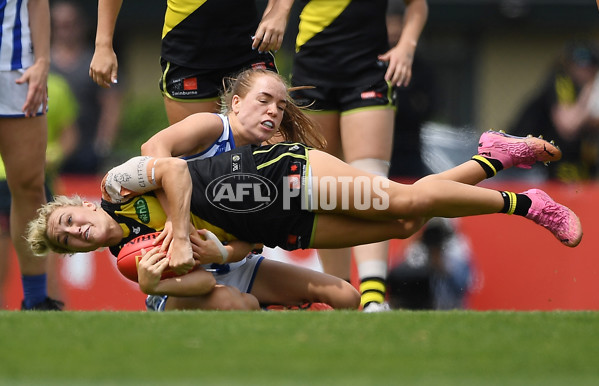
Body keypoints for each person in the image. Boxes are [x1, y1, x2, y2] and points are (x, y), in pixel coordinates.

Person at [290, 0, 429, 312]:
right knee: (321, 187)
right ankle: (340, 297)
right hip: (313, 65)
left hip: (367, 68)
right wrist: (275, 15)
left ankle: (373, 298)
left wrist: (406, 46)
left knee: (371, 182)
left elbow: (417, 5)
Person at [89, 0, 294, 125]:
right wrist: (103, 45)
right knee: (196, 161)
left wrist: (279, 12)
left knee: (271, 153)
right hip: (188, 50)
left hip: (249, 45)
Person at [0, 0, 62, 310]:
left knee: (28, 185)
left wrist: (42, 61)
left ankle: (36, 301)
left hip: (16, 70)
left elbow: (37, 2)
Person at [0, 72, 78, 308]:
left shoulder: (56, 86)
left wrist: (54, 155)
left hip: (38, 180)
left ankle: (56, 327)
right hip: (1, 183)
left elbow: (69, 134)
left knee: (49, 271)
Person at [509, 40, 599, 183]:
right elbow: (569, 126)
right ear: (569, 65)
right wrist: (590, 88)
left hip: (556, 162)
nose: (585, 70)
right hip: (524, 165)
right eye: (579, 65)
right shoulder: (561, 80)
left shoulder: (582, 89)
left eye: (590, 65)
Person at [51, 0, 122, 175]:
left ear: (81, 25)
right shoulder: (42, 65)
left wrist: (102, 145)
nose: (65, 31)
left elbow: (111, 105)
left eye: (70, 25)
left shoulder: (97, 61)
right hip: (50, 151)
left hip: (88, 152)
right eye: (59, 26)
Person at [387, 4, 436, 180]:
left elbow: (429, 105)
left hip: (409, 147)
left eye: (397, 24)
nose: (393, 30)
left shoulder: (420, 67)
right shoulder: (373, 63)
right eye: (389, 24)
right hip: (379, 143)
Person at [387, 217, 473, 310]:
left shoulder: (458, 251)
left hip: (451, 304)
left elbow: (463, 285)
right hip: (424, 304)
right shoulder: (417, 249)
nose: (434, 237)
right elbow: (396, 276)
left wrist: (441, 264)